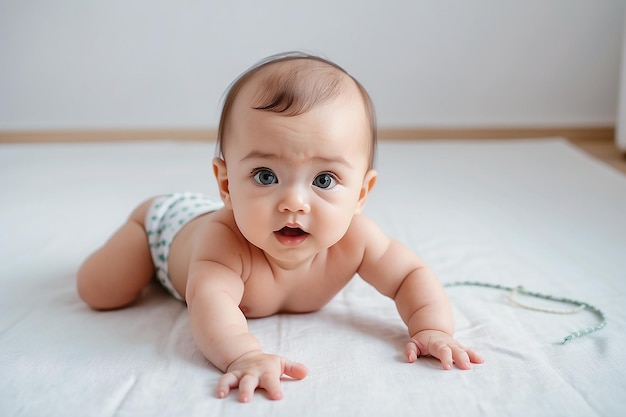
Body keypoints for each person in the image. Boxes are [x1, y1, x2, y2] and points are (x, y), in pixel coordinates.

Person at [77, 52, 483, 403]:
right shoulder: (223, 244)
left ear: (361, 192)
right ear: (226, 184)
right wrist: (243, 355)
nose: (293, 202)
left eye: (324, 180)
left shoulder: (357, 240)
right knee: (99, 291)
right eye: (265, 175)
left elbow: (410, 275)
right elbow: (209, 304)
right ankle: (133, 235)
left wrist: (431, 328)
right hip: (164, 228)